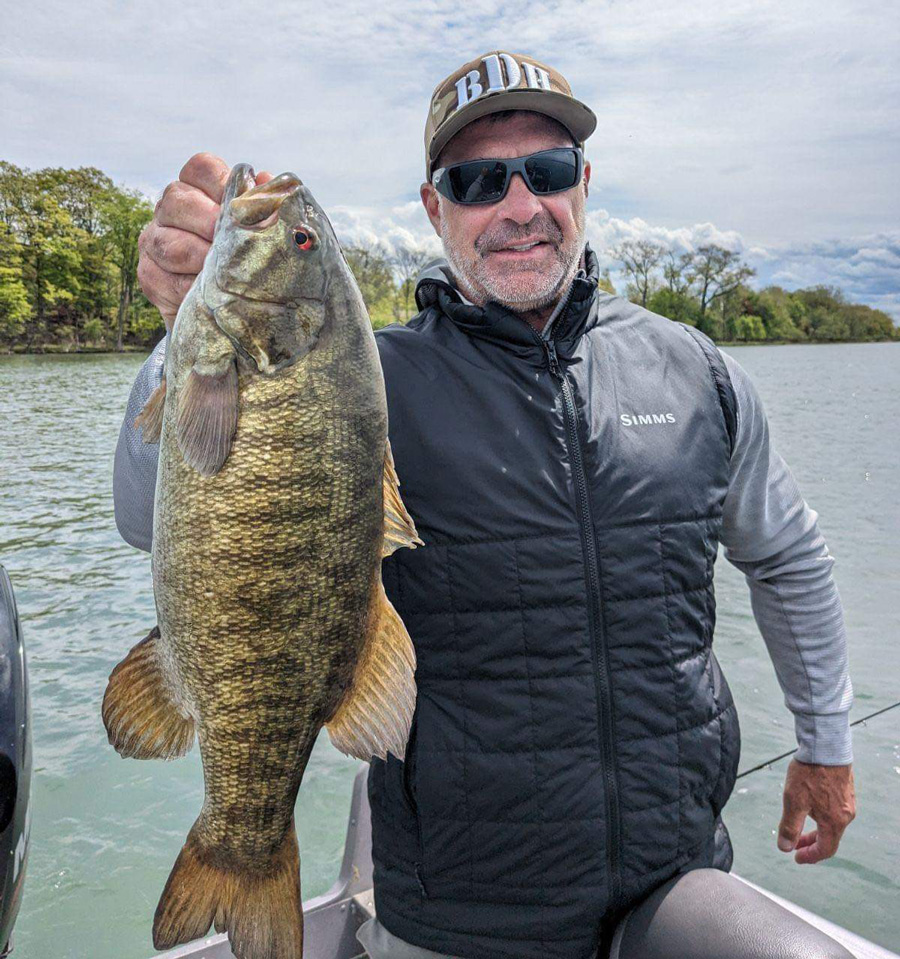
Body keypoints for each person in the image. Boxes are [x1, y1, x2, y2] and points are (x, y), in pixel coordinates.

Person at [114, 50, 857, 959]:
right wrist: (181, 345)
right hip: (460, 916)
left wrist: (824, 745)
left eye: (543, 172)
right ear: (436, 208)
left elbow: (787, 557)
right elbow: (149, 518)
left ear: (582, 183)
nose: (517, 207)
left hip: (675, 883)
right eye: (475, 180)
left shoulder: (698, 371)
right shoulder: (361, 381)